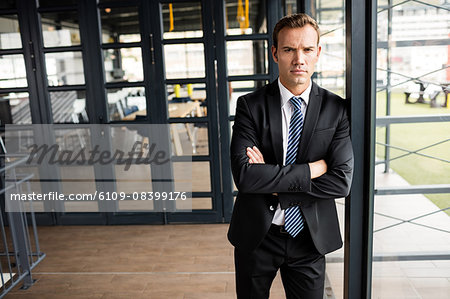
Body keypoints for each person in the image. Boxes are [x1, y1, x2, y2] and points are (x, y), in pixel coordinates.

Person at [228, 13, 354, 298]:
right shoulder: (251, 105)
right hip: (257, 236)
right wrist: (312, 169)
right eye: (289, 49)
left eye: (307, 49)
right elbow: (246, 178)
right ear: (275, 53)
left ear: (318, 53)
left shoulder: (337, 110)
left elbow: (340, 182)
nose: (299, 59)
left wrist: (272, 185)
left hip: (309, 239)